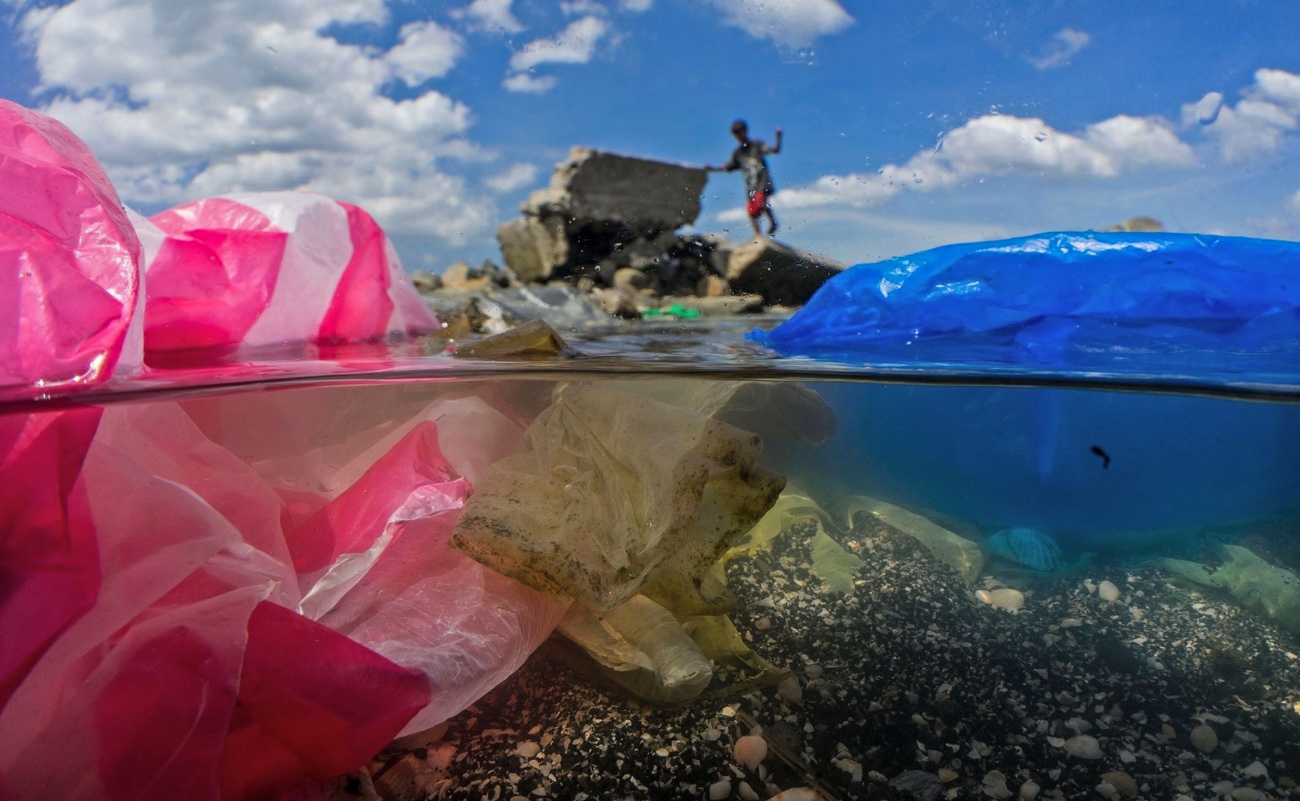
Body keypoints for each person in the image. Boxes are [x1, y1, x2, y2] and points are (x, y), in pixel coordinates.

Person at [706, 120, 783, 237]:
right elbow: (727, 167)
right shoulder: (738, 153)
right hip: (750, 185)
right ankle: (758, 237)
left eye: (739, 132)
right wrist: (713, 168)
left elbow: (775, 150)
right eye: (735, 134)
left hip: (762, 180)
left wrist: (778, 137)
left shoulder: (756, 144)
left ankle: (773, 223)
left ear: (745, 131)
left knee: (760, 202)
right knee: (752, 212)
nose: (738, 136)